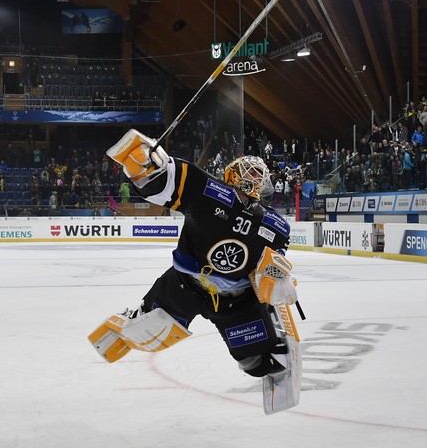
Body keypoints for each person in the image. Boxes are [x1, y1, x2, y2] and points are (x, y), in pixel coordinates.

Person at [89, 130, 302, 414]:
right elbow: (162, 184)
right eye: (249, 173)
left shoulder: (276, 225)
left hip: (236, 300)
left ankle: (270, 339)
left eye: (259, 174)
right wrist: (149, 165)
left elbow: (272, 265)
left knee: (256, 363)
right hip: (184, 286)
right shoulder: (208, 191)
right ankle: (127, 322)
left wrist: (277, 278)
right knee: (150, 332)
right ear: (232, 176)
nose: (255, 178)